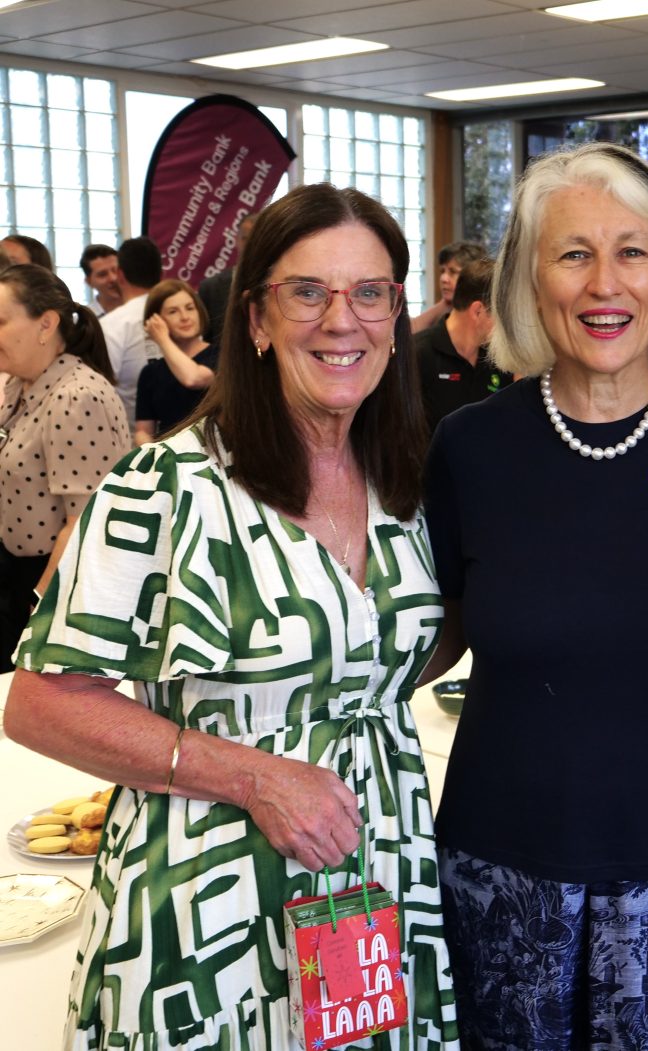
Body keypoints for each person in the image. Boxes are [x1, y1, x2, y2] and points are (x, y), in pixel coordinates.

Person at [4, 184, 459, 1048]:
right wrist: (255, 774)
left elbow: (386, 650)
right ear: (255, 318)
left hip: (372, 871)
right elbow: (41, 702)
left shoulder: (403, 483)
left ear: (396, 317)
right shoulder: (164, 487)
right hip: (209, 891)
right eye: (307, 291)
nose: (342, 319)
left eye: (369, 293)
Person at [423, 141, 648, 1049]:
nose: (604, 283)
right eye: (573, 254)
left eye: (632, 251)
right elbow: (428, 634)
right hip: (503, 877)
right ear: (530, 282)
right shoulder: (470, 447)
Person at [0, 264, 129, 672]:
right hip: (14, 571)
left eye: (1, 322)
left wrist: (38, 604)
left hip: (50, 583)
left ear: (46, 324)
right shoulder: (18, 384)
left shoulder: (76, 396)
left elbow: (86, 520)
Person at [416, 257, 510, 430]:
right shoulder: (417, 355)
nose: (507, 324)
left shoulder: (499, 359)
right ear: (478, 311)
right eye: (503, 314)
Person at [134, 278, 219, 444]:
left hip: (213, 450)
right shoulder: (150, 372)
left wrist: (162, 339)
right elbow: (143, 431)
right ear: (156, 320)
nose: (185, 317)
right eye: (173, 312)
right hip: (168, 454)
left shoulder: (220, 354)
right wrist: (152, 453)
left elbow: (193, 378)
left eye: (190, 308)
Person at [100, 236, 163, 432]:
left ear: (120, 275)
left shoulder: (112, 324)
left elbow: (100, 387)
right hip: (187, 433)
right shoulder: (185, 314)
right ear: (161, 273)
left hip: (130, 438)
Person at [198, 211, 259, 343]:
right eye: (246, 239)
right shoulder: (210, 289)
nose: (251, 245)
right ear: (236, 240)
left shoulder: (280, 283)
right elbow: (207, 343)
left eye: (257, 240)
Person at [411, 240, 488, 334]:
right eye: (442, 271)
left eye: (453, 272)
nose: (443, 278)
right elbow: (410, 330)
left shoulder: (486, 315)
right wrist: (444, 304)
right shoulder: (443, 312)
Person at [80, 243, 123, 316]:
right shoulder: (84, 319)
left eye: (116, 270)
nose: (113, 278)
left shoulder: (141, 309)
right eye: (102, 274)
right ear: (89, 282)